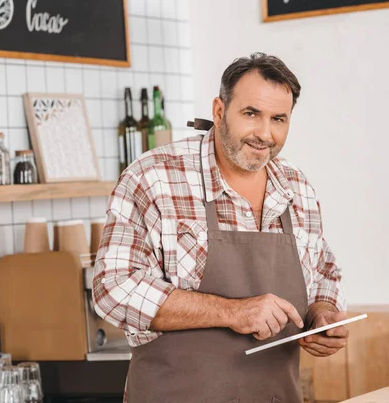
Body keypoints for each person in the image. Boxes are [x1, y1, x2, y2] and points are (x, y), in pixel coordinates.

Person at [93, 53, 348, 403]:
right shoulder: (154, 177)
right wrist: (233, 312)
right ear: (218, 110)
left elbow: (323, 274)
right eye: (250, 114)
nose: (264, 133)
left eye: (279, 119)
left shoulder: (296, 187)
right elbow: (113, 290)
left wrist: (322, 316)